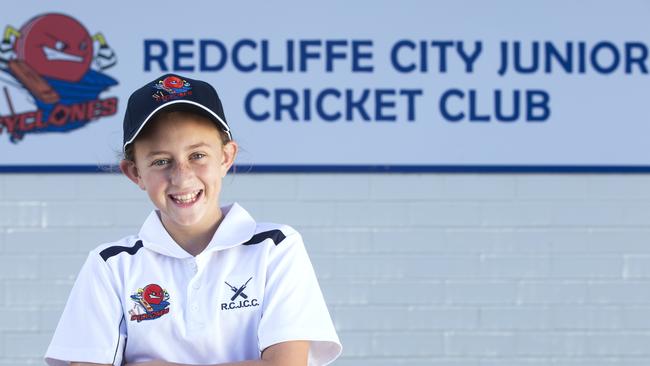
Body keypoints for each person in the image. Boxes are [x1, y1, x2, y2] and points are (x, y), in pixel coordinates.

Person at [44, 74, 342, 366]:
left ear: (226, 157)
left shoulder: (275, 247)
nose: (182, 176)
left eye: (197, 155)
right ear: (135, 173)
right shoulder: (111, 265)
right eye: (161, 161)